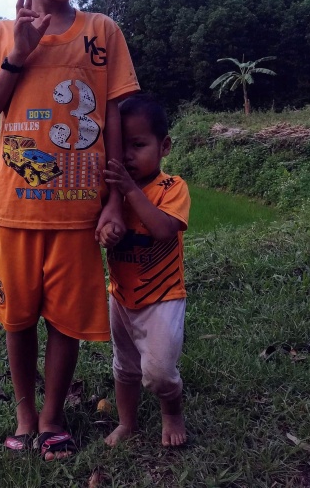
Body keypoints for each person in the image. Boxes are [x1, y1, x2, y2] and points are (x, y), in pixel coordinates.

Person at [0, 0, 140, 460]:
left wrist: (115, 200)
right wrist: (19, 54)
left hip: (79, 212)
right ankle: (23, 414)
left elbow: (113, 114)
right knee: (18, 318)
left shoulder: (102, 32)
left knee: (66, 321)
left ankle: (53, 415)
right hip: (17, 210)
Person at [99, 93, 190, 447]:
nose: (127, 156)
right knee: (125, 367)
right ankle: (127, 422)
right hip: (121, 296)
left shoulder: (172, 187)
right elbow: (102, 231)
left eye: (138, 145)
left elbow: (164, 229)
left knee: (161, 372)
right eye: (121, 147)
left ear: (164, 146)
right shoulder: (113, 195)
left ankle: (172, 411)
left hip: (164, 296)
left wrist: (129, 191)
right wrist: (106, 230)